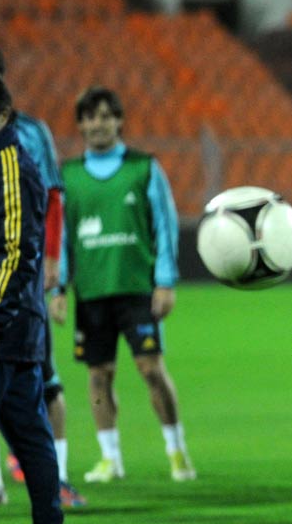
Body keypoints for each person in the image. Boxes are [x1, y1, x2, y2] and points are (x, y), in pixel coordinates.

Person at [0, 41, 83, 508]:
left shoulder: (30, 135)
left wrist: (56, 271)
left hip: (15, 280)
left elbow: (52, 200)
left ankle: (59, 480)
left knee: (39, 383)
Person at [48, 86, 196, 484]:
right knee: (98, 377)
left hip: (137, 289)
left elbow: (164, 226)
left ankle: (176, 448)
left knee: (151, 369)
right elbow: (58, 237)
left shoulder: (144, 168)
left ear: (119, 121)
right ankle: (110, 456)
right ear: (80, 125)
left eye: (105, 115)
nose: (98, 123)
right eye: (90, 117)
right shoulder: (69, 176)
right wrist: (58, 288)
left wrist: (165, 282)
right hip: (92, 292)